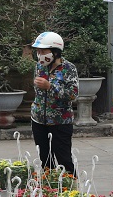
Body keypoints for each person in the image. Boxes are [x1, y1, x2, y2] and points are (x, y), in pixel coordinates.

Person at [30, 31, 78, 176]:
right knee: (45, 159)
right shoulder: (40, 66)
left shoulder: (69, 68)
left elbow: (72, 95)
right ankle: (49, 191)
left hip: (60, 122)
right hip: (38, 120)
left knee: (64, 159)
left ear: (55, 52)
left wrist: (50, 87)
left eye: (43, 51)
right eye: (38, 51)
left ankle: (71, 190)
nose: (40, 55)